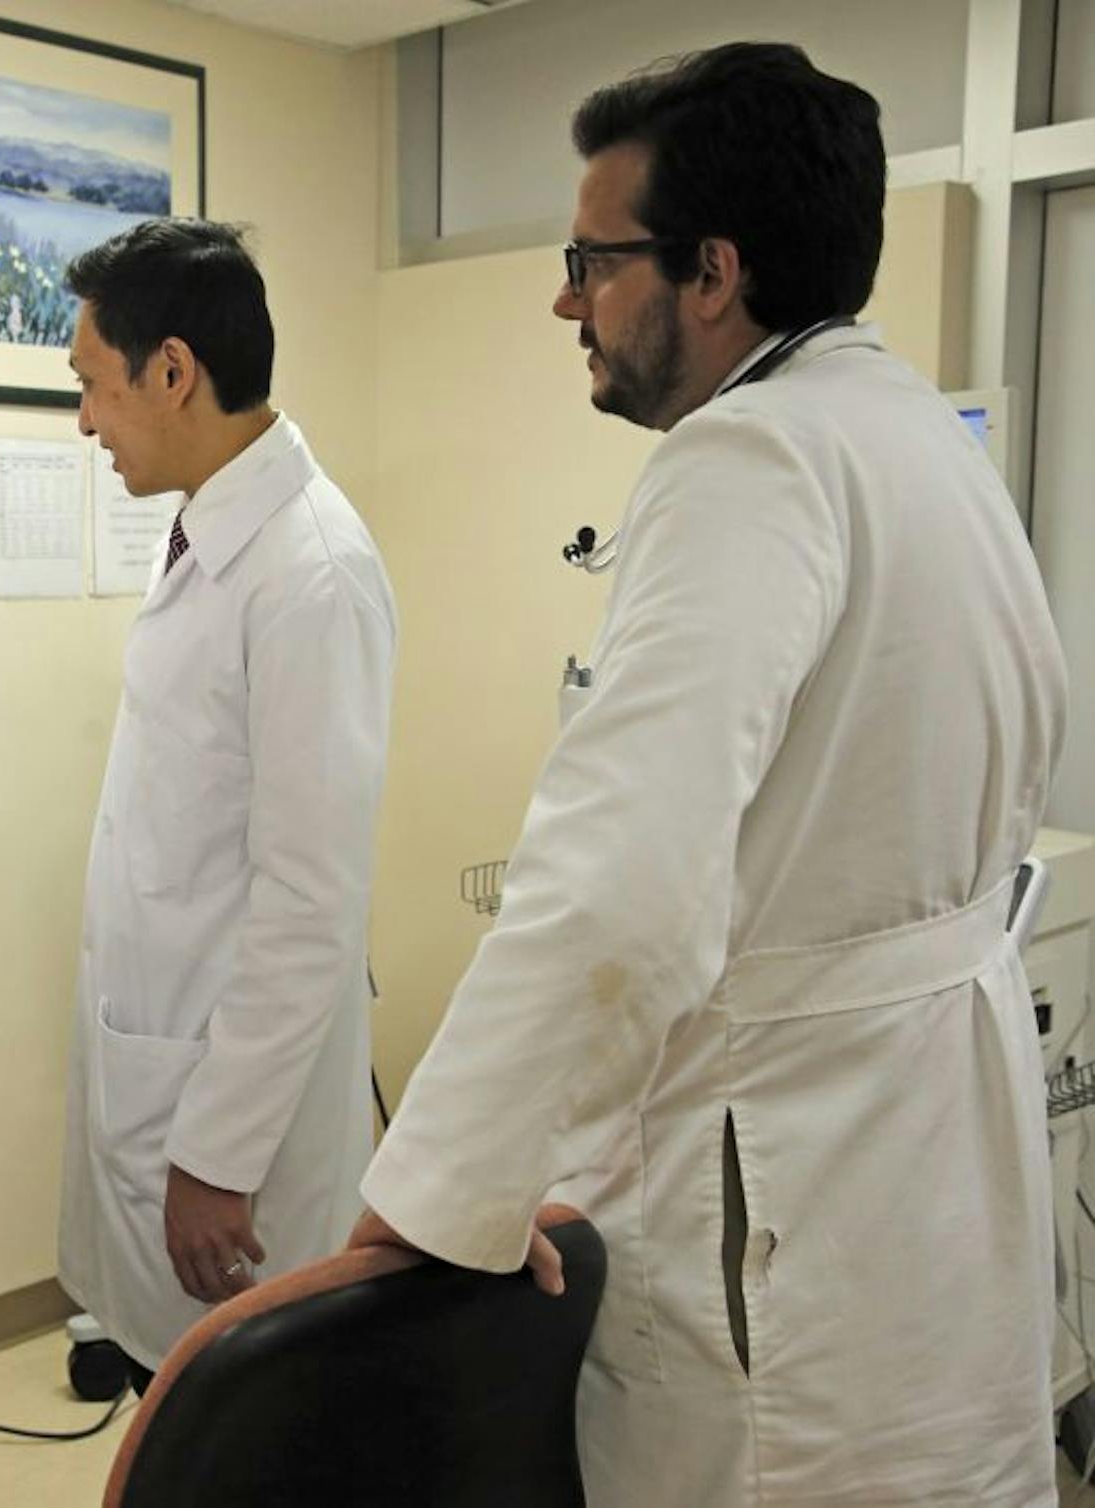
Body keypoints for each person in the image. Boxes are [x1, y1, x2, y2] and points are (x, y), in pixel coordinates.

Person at [352, 42, 1065, 1505]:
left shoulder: (746, 459)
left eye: (591, 261)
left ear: (713, 272)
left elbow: (615, 892)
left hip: (786, 1181)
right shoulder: (924, 439)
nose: (567, 301)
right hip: (934, 1158)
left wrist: (435, 1198)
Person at [56, 219, 396, 1387]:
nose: (85, 421)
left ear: (171, 370)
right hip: (163, 1054)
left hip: (232, 1129)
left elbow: (310, 899)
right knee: (179, 1391)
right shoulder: (214, 534)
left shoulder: (311, 573)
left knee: (247, 1416)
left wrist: (217, 1154)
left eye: (92, 385)